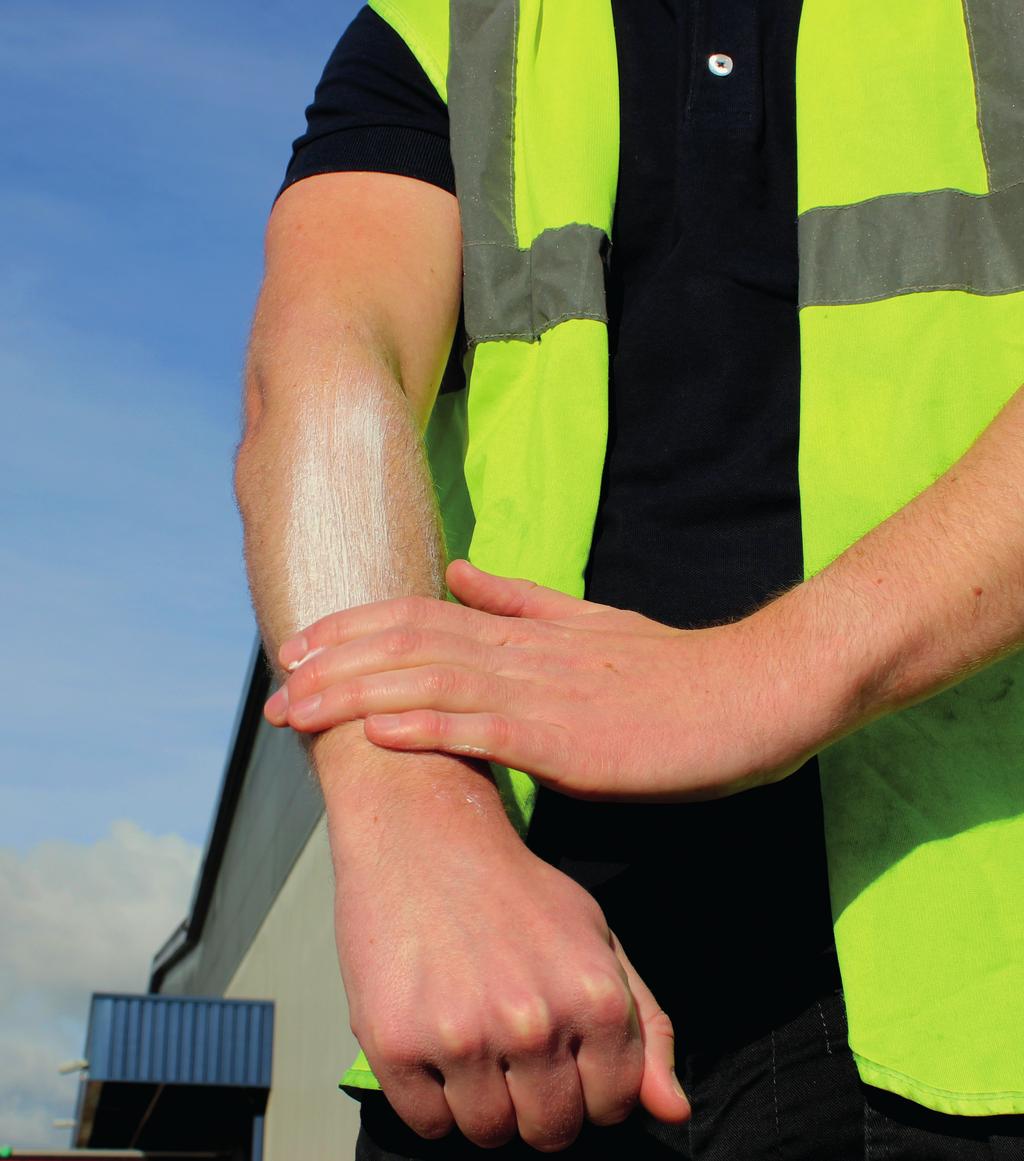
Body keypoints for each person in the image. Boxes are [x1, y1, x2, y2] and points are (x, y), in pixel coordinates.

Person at [237, 2, 1024, 1158]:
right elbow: (323, 362)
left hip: (971, 1004)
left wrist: (762, 675)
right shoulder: (444, 26)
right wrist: (409, 818)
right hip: (513, 998)